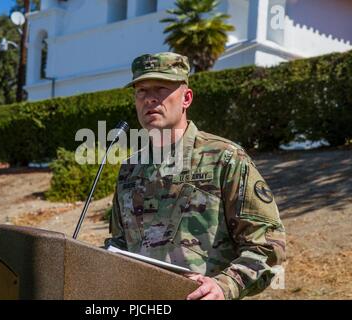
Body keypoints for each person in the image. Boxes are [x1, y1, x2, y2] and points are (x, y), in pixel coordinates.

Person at [104, 52, 286, 300]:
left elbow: (267, 245)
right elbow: (120, 246)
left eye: (161, 88)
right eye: (142, 91)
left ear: (186, 98)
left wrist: (225, 285)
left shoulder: (225, 158)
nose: (150, 99)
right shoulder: (129, 169)